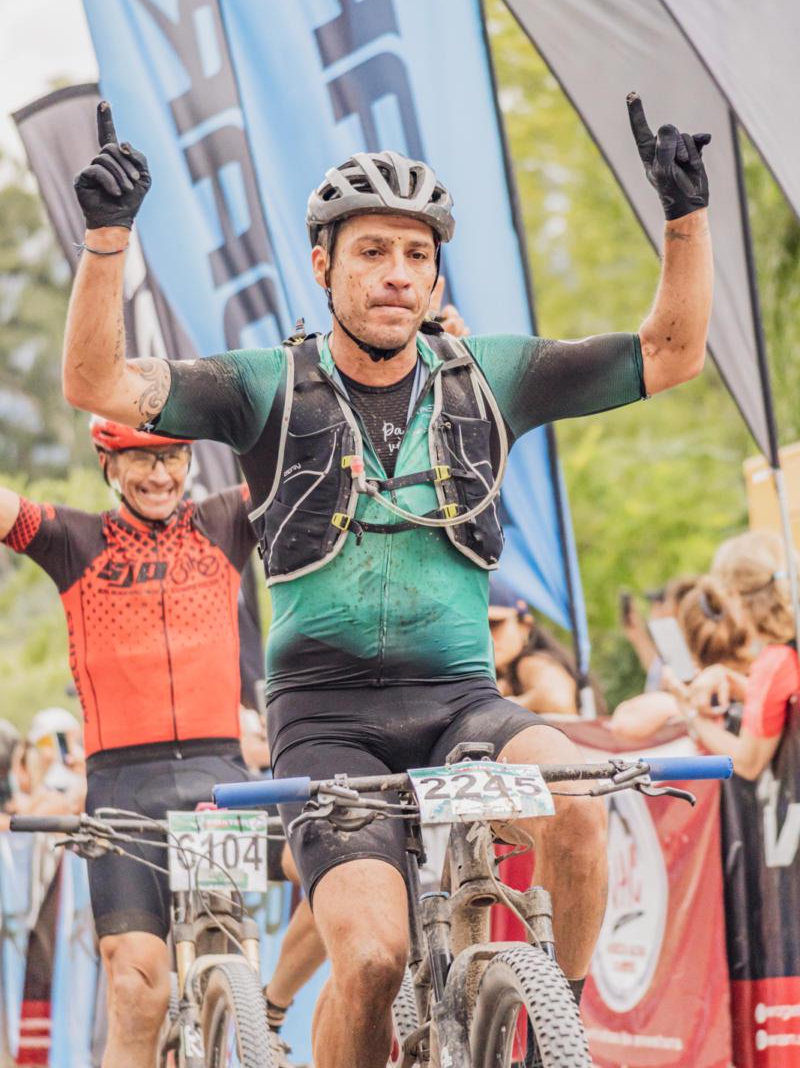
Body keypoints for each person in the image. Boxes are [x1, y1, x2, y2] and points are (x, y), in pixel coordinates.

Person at [62, 94, 713, 1068]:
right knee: (370, 960)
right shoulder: (262, 386)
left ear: (436, 273)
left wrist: (684, 219)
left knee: (576, 801)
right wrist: (108, 240)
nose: (397, 273)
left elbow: (670, 354)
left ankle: (553, 1029)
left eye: (416, 254)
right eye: (371, 251)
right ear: (321, 266)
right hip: (324, 722)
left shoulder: (488, 375)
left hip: (462, 704)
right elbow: (99, 385)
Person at [0, 419, 322, 1066]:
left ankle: (271, 1006)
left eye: (172, 457)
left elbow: (307, 459)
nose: (159, 474)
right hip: (125, 788)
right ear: (108, 465)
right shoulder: (74, 539)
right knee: (136, 988)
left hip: (222, 781)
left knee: (338, 877)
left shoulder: (223, 521)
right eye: (140, 460)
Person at [671, 533, 799, 781]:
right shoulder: (786, 654)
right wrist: (732, 681)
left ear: (735, 597)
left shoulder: (775, 662)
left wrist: (691, 714)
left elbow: (747, 762)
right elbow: (780, 700)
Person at [489, 580, 581, 715]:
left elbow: (557, 699)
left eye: (495, 624)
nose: (487, 636)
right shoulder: (499, 675)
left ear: (525, 627)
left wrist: (499, 705)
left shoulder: (531, 663)